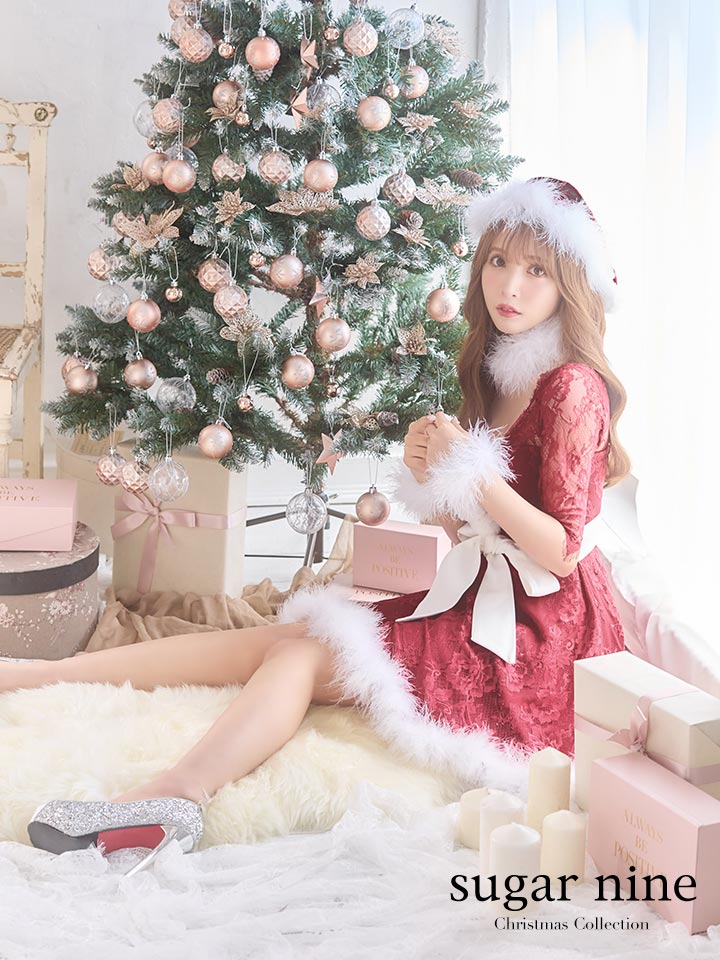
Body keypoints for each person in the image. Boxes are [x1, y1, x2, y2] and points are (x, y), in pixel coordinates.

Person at [9, 176, 630, 874]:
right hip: (491, 595)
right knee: (282, 639)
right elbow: (477, 534)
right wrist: (434, 479)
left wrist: (474, 475)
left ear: (568, 280)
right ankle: (33, 676)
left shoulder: (571, 386)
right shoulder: (496, 368)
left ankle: (171, 800)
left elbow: (563, 550)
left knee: (300, 657)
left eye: (537, 269)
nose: (509, 285)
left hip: (543, 631)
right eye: (498, 261)